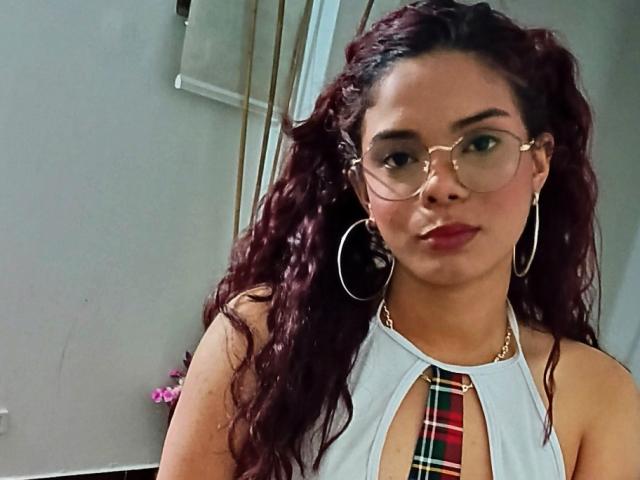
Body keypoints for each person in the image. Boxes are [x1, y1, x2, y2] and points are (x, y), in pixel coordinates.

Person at [156, 1, 640, 479]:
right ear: (362, 189)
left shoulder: (599, 399)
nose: (441, 186)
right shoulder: (263, 341)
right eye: (400, 157)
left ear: (538, 163)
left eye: (480, 144)